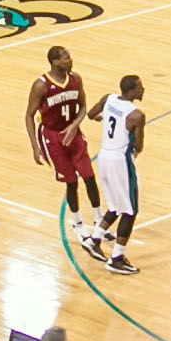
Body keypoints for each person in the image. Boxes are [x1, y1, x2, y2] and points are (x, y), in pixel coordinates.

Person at [27, 45, 99, 243]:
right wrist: (35, 146)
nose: (70, 60)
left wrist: (76, 124)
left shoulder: (76, 78)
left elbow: (83, 106)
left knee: (89, 176)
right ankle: (78, 223)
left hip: (72, 132)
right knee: (71, 181)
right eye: (66, 58)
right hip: (52, 136)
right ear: (55, 62)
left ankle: (99, 220)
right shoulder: (41, 85)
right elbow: (29, 115)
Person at [88, 73, 146, 272]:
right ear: (131, 91)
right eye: (140, 87)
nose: (143, 90)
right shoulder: (136, 115)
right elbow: (139, 145)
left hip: (103, 156)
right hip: (120, 161)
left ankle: (94, 239)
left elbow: (90, 114)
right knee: (130, 211)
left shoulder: (108, 99)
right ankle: (117, 258)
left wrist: (102, 120)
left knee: (114, 205)